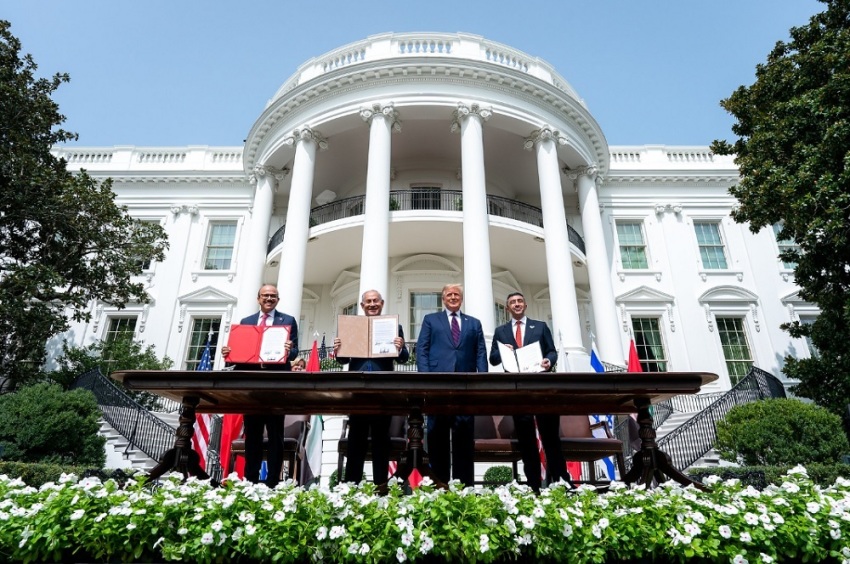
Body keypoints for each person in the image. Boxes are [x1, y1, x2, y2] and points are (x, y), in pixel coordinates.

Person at [489, 291, 573, 492]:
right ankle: (533, 486)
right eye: (512, 303)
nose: (516, 304)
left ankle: (561, 483)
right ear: (507, 308)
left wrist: (549, 361)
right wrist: (502, 351)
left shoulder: (541, 327)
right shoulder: (501, 332)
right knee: (527, 441)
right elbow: (492, 359)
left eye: (519, 301)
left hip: (543, 390)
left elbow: (552, 351)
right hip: (519, 393)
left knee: (551, 438)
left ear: (525, 305)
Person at [221, 284, 298, 487]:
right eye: (265, 295)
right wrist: (229, 353)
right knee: (252, 434)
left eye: (273, 296)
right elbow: (237, 358)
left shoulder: (288, 321)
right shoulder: (246, 322)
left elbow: (294, 353)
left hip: (275, 383)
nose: (269, 299)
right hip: (252, 385)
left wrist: (289, 350)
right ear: (258, 298)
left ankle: (273, 481)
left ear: (278, 300)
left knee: (275, 435)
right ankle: (250, 481)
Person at [333, 289, 410, 484]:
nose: (372, 304)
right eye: (368, 301)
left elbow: (404, 357)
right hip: (357, 391)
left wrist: (400, 347)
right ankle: (351, 487)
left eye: (376, 301)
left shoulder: (393, 326)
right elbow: (342, 359)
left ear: (382, 304)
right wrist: (338, 349)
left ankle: (380, 486)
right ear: (362, 306)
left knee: (380, 441)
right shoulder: (351, 326)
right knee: (355, 441)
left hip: (382, 392)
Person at [416, 284, 487, 487]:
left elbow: (481, 353)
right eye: (449, 294)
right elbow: (422, 349)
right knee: (437, 439)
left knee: (464, 440)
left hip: (466, 388)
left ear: (461, 299)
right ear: (443, 298)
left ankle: (464, 488)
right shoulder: (431, 320)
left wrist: (482, 381)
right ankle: (440, 486)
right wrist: (426, 380)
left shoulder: (474, 323)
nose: (453, 297)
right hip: (438, 387)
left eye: (457, 294)